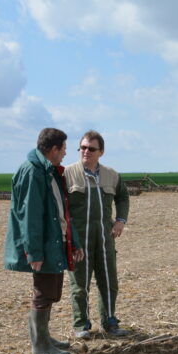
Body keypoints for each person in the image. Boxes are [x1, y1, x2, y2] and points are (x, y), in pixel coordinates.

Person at [4, 127, 83, 354]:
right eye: (64, 149)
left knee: (49, 290)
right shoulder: (33, 172)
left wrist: (73, 241)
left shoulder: (48, 171)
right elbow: (31, 216)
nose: (66, 154)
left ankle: (45, 338)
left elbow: (62, 211)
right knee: (43, 290)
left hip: (52, 240)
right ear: (53, 149)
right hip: (43, 244)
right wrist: (34, 252)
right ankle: (40, 346)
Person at [64, 130, 131, 338]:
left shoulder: (111, 175)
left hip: (104, 240)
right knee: (79, 286)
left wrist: (120, 220)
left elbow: (123, 197)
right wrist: (69, 239)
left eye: (91, 149)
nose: (86, 152)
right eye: (82, 148)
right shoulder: (67, 174)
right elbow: (59, 207)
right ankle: (82, 325)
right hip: (79, 241)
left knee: (109, 282)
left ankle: (110, 322)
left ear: (101, 152)